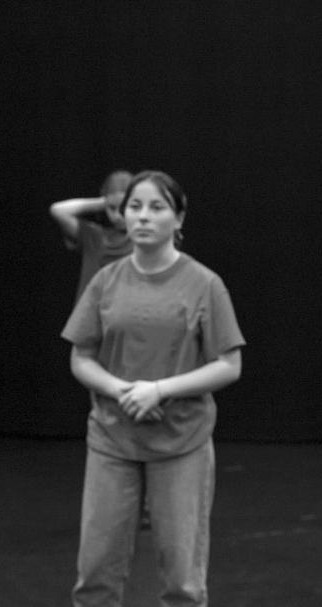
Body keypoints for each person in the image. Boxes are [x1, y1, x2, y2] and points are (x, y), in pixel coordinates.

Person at [61, 170, 245, 606]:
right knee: (95, 574)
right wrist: (121, 390)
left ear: (178, 219)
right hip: (113, 439)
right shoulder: (106, 280)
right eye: (135, 207)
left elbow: (228, 365)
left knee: (183, 582)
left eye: (156, 207)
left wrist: (159, 390)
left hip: (181, 443)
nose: (143, 216)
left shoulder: (204, 284)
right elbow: (81, 357)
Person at [50, 170, 134, 302]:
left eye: (123, 207)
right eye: (112, 208)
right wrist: (103, 202)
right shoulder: (94, 236)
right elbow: (58, 210)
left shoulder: (145, 241)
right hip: (91, 313)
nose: (117, 216)